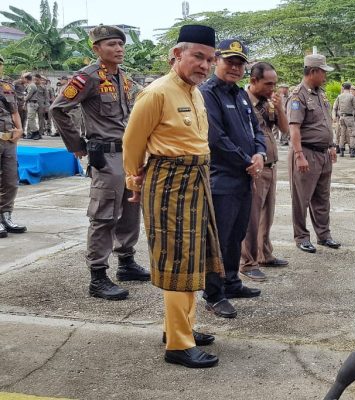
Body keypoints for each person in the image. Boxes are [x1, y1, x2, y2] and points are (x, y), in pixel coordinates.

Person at [122, 24, 221, 368]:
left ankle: (181, 328)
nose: (204, 66)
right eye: (198, 57)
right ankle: (179, 345)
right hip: (170, 182)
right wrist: (134, 182)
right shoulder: (156, 93)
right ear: (177, 54)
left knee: (193, 257)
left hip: (196, 179)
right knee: (179, 259)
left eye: (209, 60)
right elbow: (132, 143)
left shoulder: (195, 92)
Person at [50, 25, 149, 301]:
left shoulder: (123, 77)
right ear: (96, 49)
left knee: (131, 210)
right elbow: (58, 109)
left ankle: (126, 262)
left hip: (128, 155)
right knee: (104, 216)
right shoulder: (88, 77)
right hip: (106, 157)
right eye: (111, 44)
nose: (118, 49)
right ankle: (98, 276)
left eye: (121, 44)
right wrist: (77, 145)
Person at [200, 39, 265, 318]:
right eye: (230, 62)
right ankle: (213, 294)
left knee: (237, 234)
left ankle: (231, 282)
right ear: (217, 60)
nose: (235, 68)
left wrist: (260, 153)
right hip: (221, 179)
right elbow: (215, 138)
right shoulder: (207, 93)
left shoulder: (240, 94)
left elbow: (256, 129)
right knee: (219, 239)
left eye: (240, 64)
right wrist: (247, 161)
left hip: (243, 177)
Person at [240, 61, 289, 283]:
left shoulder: (269, 103)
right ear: (253, 81)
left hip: (271, 165)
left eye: (274, 84)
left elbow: (284, 130)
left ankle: (264, 254)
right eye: (268, 84)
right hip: (255, 168)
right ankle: (247, 262)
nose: (273, 88)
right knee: (251, 217)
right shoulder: (242, 101)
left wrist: (279, 108)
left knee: (267, 215)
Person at [286, 54, 341, 254]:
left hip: (323, 153)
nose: (325, 76)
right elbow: (294, 128)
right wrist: (299, 155)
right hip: (306, 153)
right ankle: (301, 237)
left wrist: (331, 145)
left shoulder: (321, 94)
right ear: (313, 72)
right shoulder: (297, 96)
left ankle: (324, 235)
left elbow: (326, 122)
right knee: (302, 199)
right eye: (323, 72)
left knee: (322, 198)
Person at [0, 55, 27, 238]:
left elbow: (15, 111)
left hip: (8, 139)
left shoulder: (7, 87)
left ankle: (6, 215)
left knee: (10, 180)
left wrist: (19, 129)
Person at [333, 82, 355, 157]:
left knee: (342, 134)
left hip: (341, 117)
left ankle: (341, 151)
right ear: (350, 88)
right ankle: (352, 151)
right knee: (353, 133)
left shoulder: (339, 96)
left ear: (343, 88)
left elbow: (335, 107)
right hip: (349, 117)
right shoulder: (351, 96)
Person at [24, 74, 45, 140]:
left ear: (26, 79)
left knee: (31, 119)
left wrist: (23, 98)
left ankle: (36, 132)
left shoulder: (32, 85)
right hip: (31, 103)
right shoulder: (30, 85)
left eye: (24, 78)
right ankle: (32, 133)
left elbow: (28, 95)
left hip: (32, 103)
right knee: (31, 119)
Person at [13, 73, 30, 138]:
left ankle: (22, 132)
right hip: (18, 103)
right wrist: (19, 96)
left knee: (24, 117)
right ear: (22, 78)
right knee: (18, 118)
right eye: (25, 79)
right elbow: (12, 91)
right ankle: (17, 132)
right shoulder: (16, 83)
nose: (26, 80)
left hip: (24, 103)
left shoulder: (26, 84)